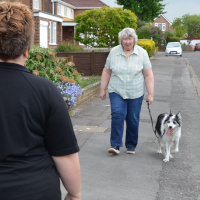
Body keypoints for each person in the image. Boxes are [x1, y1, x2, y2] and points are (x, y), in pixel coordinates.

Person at [0, 2, 81, 200]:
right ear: (27, 50)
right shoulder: (45, 91)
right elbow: (64, 153)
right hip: (35, 191)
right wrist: (74, 194)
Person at [100, 27, 154, 155]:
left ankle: (131, 145)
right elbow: (107, 71)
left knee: (133, 119)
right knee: (117, 115)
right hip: (116, 90)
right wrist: (103, 89)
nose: (127, 42)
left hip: (136, 91)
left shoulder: (142, 53)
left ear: (134, 40)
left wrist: (150, 94)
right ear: (121, 40)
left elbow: (148, 75)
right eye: (125, 39)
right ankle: (115, 145)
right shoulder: (114, 52)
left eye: (130, 38)